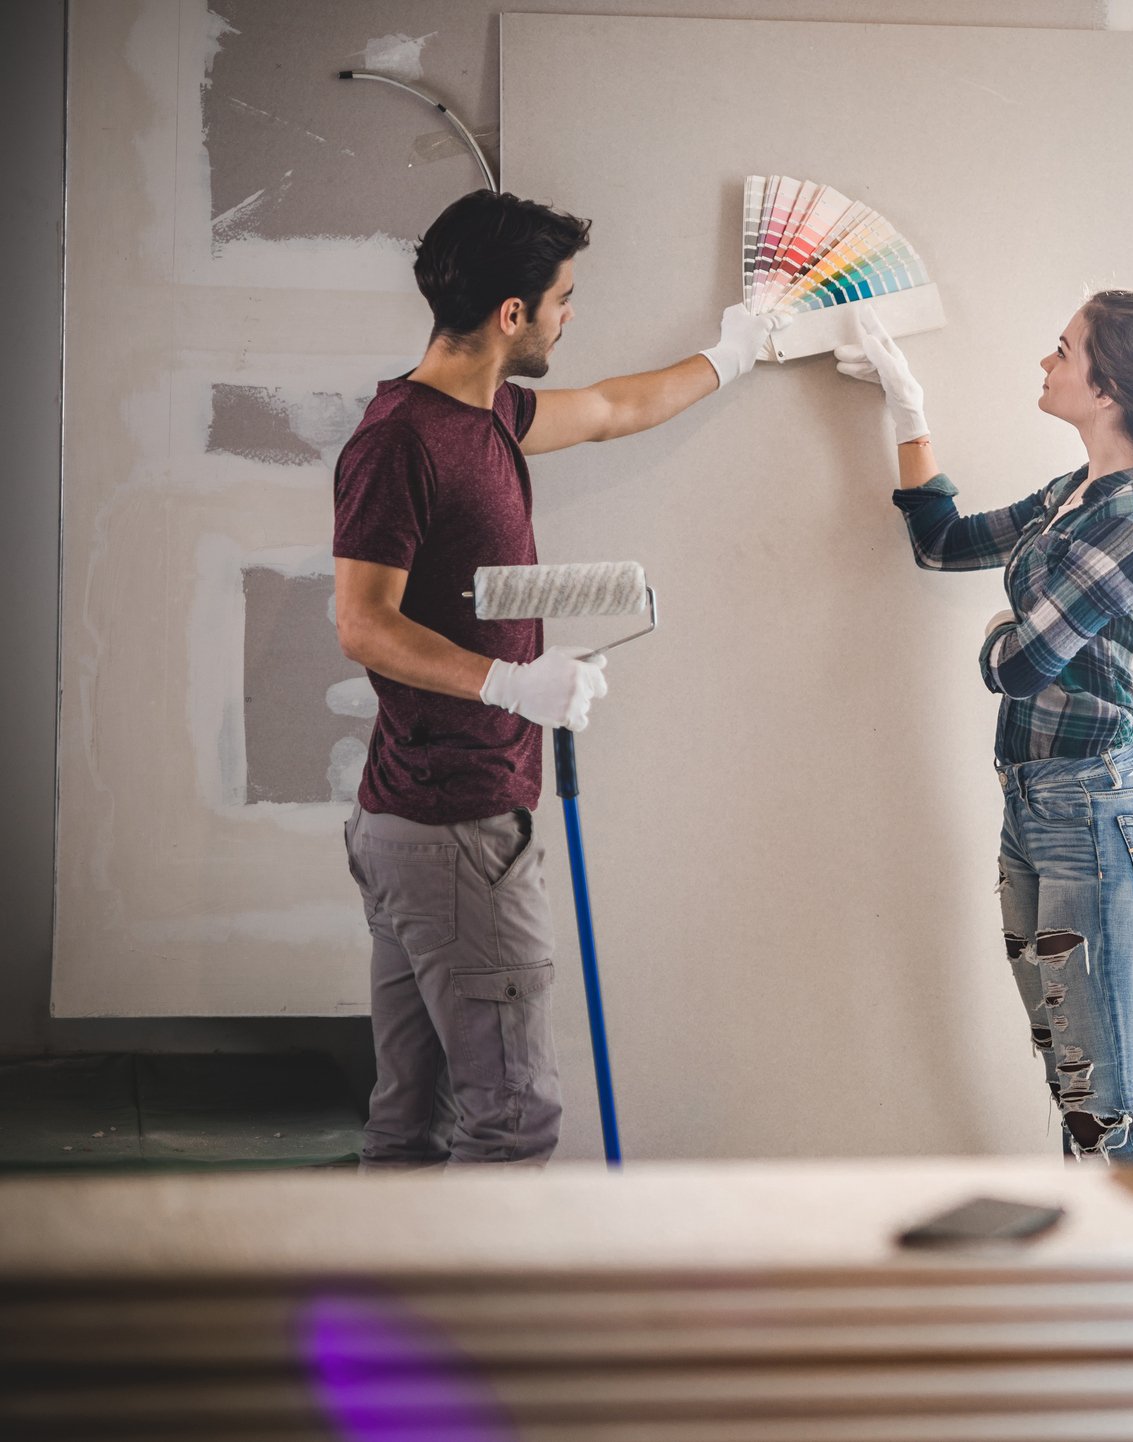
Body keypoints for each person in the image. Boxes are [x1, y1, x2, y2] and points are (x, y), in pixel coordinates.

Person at [332, 189, 780, 1166]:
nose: (571, 314)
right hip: (453, 828)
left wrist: (737, 349)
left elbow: (617, 407)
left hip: (419, 819)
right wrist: (508, 684)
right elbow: (362, 623)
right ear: (512, 315)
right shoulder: (401, 441)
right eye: (563, 298)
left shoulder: (486, 411)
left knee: (413, 1119)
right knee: (512, 1120)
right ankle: (489, 1320)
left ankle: (390, 1311)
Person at [834, 292, 1133, 1165]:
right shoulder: (1075, 493)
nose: (1044, 363)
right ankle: (1101, 1288)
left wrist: (996, 641)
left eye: (1062, 350)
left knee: (1103, 1110)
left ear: (1106, 389)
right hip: (1034, 807)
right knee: (1074, 1090)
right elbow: (941, 543)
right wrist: (906, 409)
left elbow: (1021, 665)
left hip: (1094, 815)